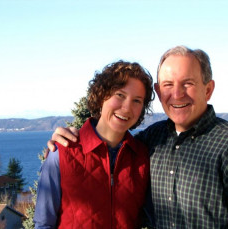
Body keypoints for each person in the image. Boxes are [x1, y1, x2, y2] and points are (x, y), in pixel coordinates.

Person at [48, 46, 228, 228]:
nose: (177, 94)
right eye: (168, 85)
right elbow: (112, 143)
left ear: (208, 90)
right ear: (158, 92)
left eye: (188, 83)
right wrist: (68, 142)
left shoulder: (225, 143)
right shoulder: (151, 139)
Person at [34, 60, 155, 228]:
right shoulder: (62, 152)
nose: (127, 107)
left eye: (137, 100)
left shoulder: (142, 157)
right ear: (101, 96)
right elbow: (44, 223)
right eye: (120, 95)